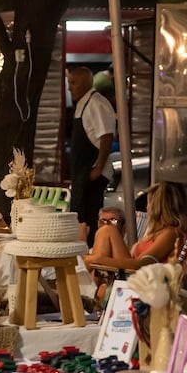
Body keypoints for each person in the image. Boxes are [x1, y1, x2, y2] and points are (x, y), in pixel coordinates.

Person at [84, 181, 187, 271]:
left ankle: (91, 288)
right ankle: (92, 287)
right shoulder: (159, 232)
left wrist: (98, 259)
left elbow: (140, 264)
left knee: (107, 231)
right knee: (106, 231)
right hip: (132, 274)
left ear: (157, 206)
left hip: (140, 280)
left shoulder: (171, 234)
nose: (146, 207)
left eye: (149, 202)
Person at [67, 66, 115, 246]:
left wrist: (98, 167)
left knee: (89, 220)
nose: (70, 87)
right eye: (68, 83)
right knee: (79, 219)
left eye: (73, 83)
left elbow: (106, 136)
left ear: (86, 82)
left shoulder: (97, 103)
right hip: (81, 175)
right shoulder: (82, 103)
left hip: (92, 175)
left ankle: (93, 258)